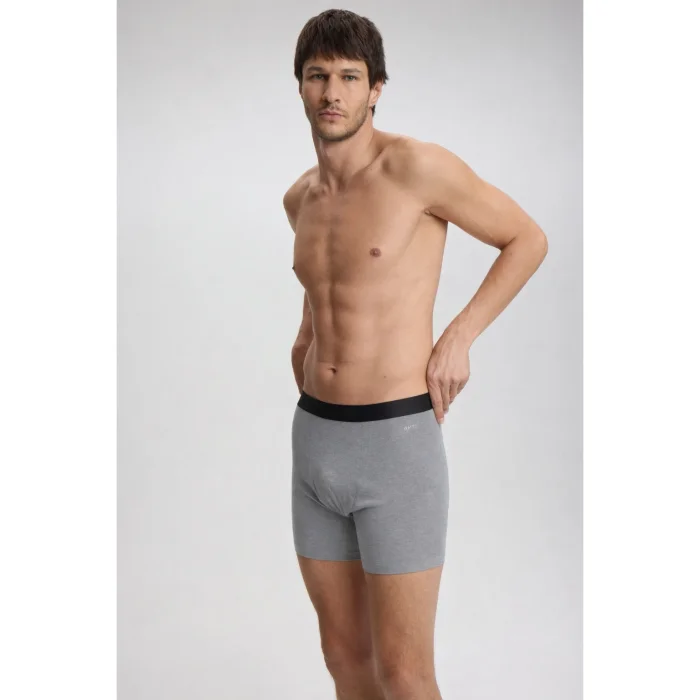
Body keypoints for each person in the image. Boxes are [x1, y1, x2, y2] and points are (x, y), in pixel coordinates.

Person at [284, 9, 548, 700]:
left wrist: (458, 337)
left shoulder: (415, 168)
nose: (332, 92)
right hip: (315, 441)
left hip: (394, 443)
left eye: (349, 77)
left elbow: (526, 239)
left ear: (376, 89)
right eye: (318, 76)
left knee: (405, 674)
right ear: (300, 86)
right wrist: (307, 337)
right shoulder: (299, 199)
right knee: (344, 658)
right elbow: (326, 287)